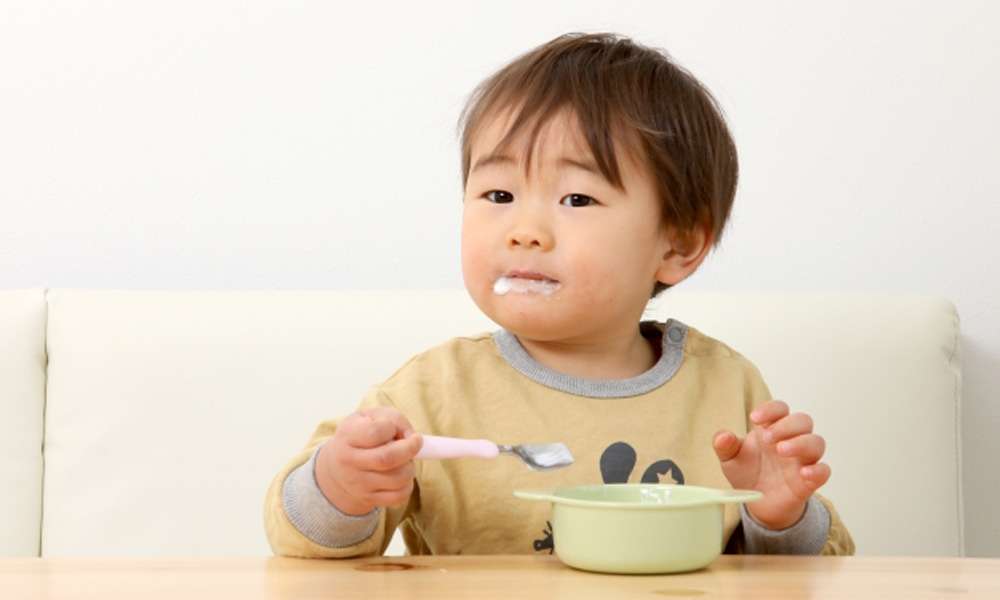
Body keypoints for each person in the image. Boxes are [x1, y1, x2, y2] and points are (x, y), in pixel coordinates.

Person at [264, 32, 855, 558]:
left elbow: (811, 573)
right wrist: (341, 486)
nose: (524, 230)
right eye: (498, 195)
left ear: (677, 245)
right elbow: (302, 538)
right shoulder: (432, 392)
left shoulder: (727, 389)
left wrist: (780, 518)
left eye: (576, 200)